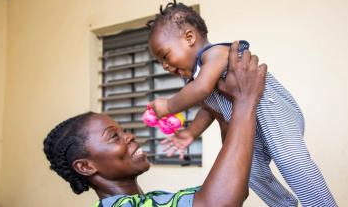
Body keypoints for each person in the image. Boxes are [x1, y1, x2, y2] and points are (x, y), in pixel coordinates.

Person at [147, 0, 337, 207]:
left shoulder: (216, 54)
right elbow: (209, 111)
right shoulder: (198, 78)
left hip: (273, 113)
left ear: (189, 37)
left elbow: (200, 88)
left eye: (165, 55)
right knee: (251, 172)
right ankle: (284, 204)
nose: (165, 65)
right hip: (250, 126)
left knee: (291, 162)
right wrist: (191, 133)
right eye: (160, 62)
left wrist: (168, 106)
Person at [43, 42, 266, 207]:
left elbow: (233, 189)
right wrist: (245, 102)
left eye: (122, 131)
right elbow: (218, 203)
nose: (129, 136)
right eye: (114, 136)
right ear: (86, 166)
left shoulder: (153, 200)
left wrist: (221, 111)